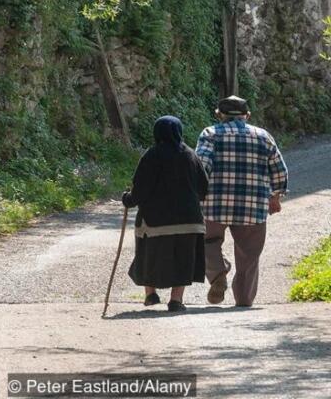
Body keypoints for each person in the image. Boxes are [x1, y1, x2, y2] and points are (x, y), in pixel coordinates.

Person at [196, 95, 288, 308]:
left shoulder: (210, 134)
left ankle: (218, 274)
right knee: (249, 254)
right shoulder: (263, 136)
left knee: (206, 242)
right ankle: (244, 300)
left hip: (214, 205)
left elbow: (201, 166)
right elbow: (279, 171)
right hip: (253, 206)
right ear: (247, 115)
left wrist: (194, 193)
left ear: (219, 115)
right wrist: (275, 196)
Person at [122, 116, 210, 312]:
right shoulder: (191, 155)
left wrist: (127, 199)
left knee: (147, 254)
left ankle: (150, 294)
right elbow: (203, 189)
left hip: (155, 222)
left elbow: (139, 191)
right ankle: (176, 300)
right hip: (189, 221)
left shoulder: (151, 155)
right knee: (184, 258)